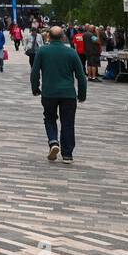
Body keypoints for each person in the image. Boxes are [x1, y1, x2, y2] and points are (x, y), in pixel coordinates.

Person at [31, 26, 87, 163]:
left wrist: (35, 88)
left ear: (48, 37)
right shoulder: (71, 52)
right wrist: (82, 94)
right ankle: (67, 154)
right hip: (68, 93)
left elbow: (34, 72)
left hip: (49, 92)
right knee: (68, 122)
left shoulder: (42, 51)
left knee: (49, 118)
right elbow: (81, 76)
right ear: (63, 37)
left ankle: (53, 142)